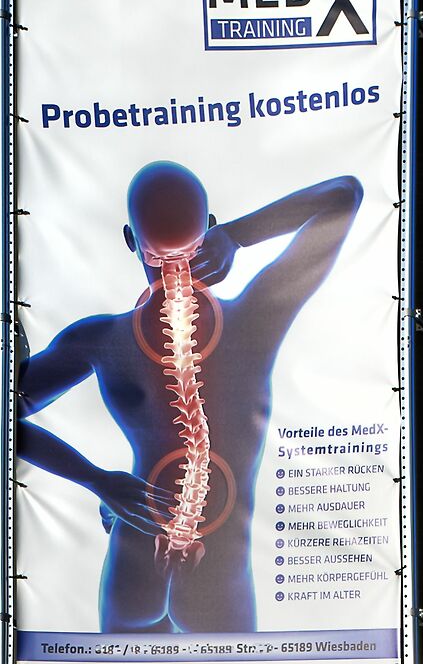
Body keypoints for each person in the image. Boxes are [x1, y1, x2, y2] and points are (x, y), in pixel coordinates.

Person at [15, 162, 363, 632]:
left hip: (199, 575)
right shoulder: (110, 338)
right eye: (164, 259)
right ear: (130, 241)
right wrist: (95, 480)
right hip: (148, 565)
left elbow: (345, 194)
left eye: (191, 250)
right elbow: (7, 415)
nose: (177, 269)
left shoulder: (251, 320)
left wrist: (239, 235)